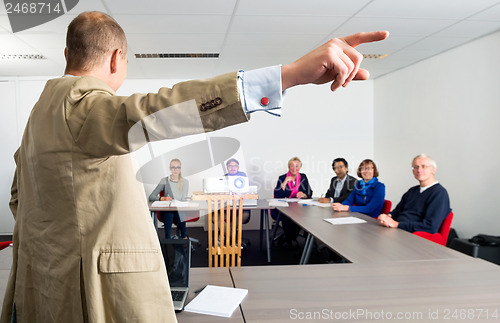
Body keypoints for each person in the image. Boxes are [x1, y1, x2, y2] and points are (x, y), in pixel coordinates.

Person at [2, 9, 388, 322]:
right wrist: (285, 77)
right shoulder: (81, 102)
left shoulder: (41, 114)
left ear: (67, 53)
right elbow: (155, 111)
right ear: (119, 58)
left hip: (44, 283)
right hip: (93, 292)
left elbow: (19, 198)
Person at [378, 154, 451, 233]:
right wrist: (387, 217)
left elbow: (430, 226)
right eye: (416, 167)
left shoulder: (439, 193)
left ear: (433, 170)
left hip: (413, 236)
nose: (419, 170)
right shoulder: (412, 191)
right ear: (413, 171)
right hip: (397, 230)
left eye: (423, 166)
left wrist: (397, 224)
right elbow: (396, 212)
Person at [273, 157, 313, 247]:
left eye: (297, 166)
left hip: (300, 207)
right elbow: (278, 195)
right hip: (285, 207)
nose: (294, 168)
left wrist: (304, 195)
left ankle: (289, 238)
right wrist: (284, 183)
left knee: (305, 217)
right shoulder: (282, 177)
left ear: (300, 167)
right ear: (289, 167)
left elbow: (309, 192)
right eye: (292, 166)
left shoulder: (303, 177)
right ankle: (290, 238)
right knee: (288, 217)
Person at [149, 159, 189, 239]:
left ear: (180, 169)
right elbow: (151, 196)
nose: (175, 169)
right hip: (167, 209)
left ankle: (184, 237)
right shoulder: (164, 180)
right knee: (169, 213)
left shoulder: (185, 182)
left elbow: (183, 199)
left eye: (177, 167)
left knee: (178, 213)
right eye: (173, 167)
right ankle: (168, 239)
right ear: (170, 168)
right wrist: (162, 198)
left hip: (179, 210)